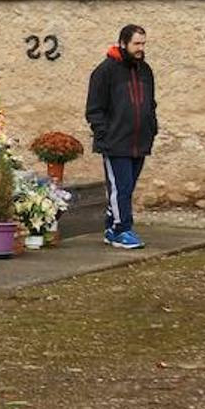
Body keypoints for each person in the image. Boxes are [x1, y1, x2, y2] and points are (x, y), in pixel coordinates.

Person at [86, 24, 158, 250]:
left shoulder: (145, 70)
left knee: (126, 188)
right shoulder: (104, 72)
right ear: (123, 43)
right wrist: (104, 134)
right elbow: (94, 109)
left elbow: (150, 103)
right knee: (121, 188)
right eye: (136, 43)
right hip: (115, 143)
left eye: (143, 43)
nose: (140, 48)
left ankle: (111, 224)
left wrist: (152, 127)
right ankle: (121, 229)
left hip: (140, 141)